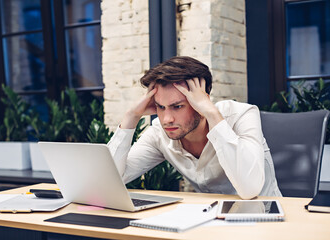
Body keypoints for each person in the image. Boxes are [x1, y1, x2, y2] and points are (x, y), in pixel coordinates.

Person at [107, 56, 282, 199]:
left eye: (177, 106)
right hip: (209, 223)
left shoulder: (242, 115)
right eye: (160, 107)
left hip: (266, 220)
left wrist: (212, 114)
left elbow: (249, 189)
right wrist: (131, 117)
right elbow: (108, 180)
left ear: (201, 100)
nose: (167, 119)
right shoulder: (160, 134)